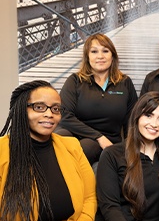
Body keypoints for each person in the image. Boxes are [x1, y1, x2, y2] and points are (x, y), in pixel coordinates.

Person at [0, 80, 97, 221]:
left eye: (56, 109)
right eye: (39, 107)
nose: (50, 114)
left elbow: (89, 199)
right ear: (21, 109)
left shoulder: (72, 146)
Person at [85, 91, 159, 221]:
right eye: (148, 115)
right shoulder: (113, 154)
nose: (154, 124)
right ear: (137, 117)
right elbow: (109, 207)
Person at [56, 33, 138, 165]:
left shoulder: (125, 83)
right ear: (87, 57)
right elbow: (64, 115)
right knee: (60, 138)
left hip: (108, 141)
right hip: (76, 134)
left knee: (86, 147)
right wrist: (98, 137)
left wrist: (131, 152)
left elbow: (132, 121)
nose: (100, 56)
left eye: (105, 51)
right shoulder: (75, 81)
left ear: (113, 56)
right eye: (94, 51)